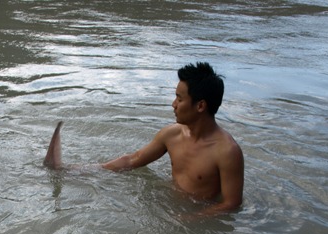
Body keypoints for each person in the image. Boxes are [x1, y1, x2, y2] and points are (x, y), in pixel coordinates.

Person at [44, 62, 243, 214]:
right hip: (170, 207)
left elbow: (231, 204)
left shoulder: (227, 152)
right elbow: (133, 160)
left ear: (200, 106)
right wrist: (76, 170)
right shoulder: (171, 134)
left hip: (198, 217)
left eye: (180, 99)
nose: (173, 104)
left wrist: (190, 220)